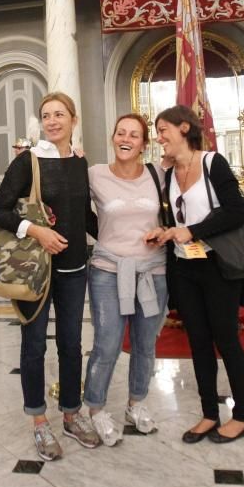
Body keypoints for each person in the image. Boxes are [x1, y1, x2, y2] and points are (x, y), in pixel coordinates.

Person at [0, 92, 100, 461]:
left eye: (59, 114)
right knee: (34, 345)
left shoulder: (80, 162)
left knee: (70, 344)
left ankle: (71, 413)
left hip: (73, 270)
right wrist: (37, 232)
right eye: (46, 115)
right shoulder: (29, 161)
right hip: (35, 271)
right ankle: (38, 421)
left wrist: (125, 239)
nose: (52, 121)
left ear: (74, 119)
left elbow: (85, 215)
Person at [154, 105, 244, 444]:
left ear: (184, 128)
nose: (159, 137)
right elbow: (174, 219)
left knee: (226, 339)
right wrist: (166, 232)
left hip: (218, 266)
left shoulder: (213, 162)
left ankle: (242, 416)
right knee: (196, 343)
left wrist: (192, 231)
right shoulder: (168, 173)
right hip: (184, 268)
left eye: (163, 129)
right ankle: (210, 413)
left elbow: (236, 212)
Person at [83, 113, 169, 446]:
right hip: (108, 270)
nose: (126, 139)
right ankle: (96, 409)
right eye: (121, 132)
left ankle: (136, 404)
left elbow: (174, 213)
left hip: (153, 271)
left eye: (134, 135)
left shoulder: (157, 174)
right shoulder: (94, 175)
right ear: (113, 137)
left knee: (146, 345)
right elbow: (70, 203)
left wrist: (162, 232)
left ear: (143, 144)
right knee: (107, 344)